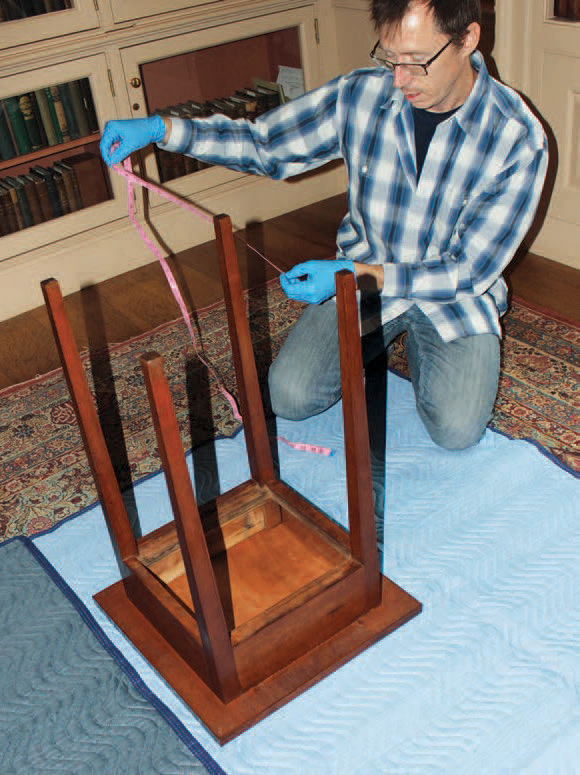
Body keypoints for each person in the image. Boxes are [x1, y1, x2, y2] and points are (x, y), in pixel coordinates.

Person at [100, 0, 548, 463]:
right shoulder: (362, 95)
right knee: (289, 397)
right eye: (389, 59)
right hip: (359, 283)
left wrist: (356, 273)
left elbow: (468, 272)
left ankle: (412, 343)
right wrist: (164, 129)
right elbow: (266, 143)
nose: (399, 80)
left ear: (467, 39)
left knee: (456, 430)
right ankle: (380, 341)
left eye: (416, 62)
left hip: (452, 297)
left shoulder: (516, 137)